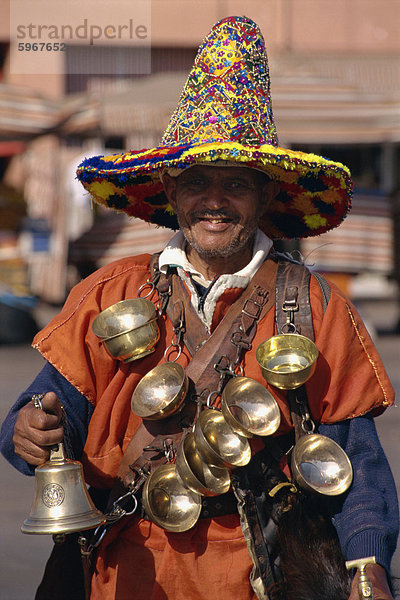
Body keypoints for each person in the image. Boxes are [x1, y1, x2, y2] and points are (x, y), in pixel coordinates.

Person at [0, 15, 398, 600]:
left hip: (261, 577)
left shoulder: (317, 306)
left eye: (235, 183)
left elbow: (356, 461)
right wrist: (29, 431)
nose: (214, 202)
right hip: (123, 575)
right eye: (196, 182)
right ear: (168, 191)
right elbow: (39, 416)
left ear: (265, 194)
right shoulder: (110, 292)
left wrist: (370, 570)